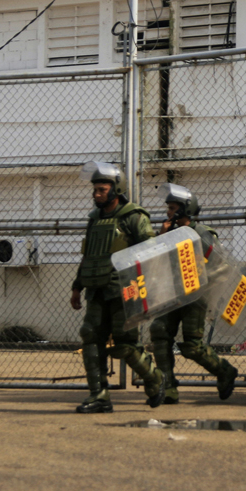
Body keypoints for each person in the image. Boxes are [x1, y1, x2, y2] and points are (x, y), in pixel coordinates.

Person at [70, 162, 167, 413]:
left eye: (101, 189)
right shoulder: (94, 219)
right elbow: (89, 255)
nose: (96, 194)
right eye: (95, 190)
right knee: (90, 336)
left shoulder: (134, 216)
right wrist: (76, 287)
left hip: (126, 289)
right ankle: (99, 396)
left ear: (116, 189)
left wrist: (148, 288)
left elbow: (150, 251)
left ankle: (154, 378)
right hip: (96, 288)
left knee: (125, 344)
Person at [149, 186, 238, 404]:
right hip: (170, 293)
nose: (168, 212)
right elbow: (151, 259)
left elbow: (223, 266)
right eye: (168, 207)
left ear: (185, 209)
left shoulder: (202, 234)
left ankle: (224, 371)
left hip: (196, 297)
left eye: (172, 208)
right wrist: (161, 237)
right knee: (159, 332)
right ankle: (168, 387)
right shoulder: (167, 233)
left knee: (191, 346)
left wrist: (199, 283)